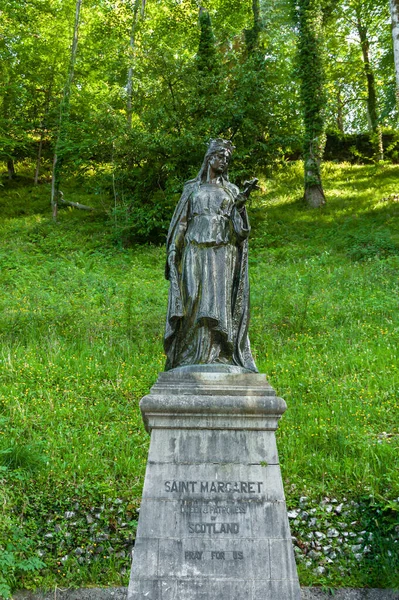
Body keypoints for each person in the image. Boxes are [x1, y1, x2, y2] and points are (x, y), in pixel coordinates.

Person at [164, 138, 258, 372]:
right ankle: (189, 356)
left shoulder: (232, 191)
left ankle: (221, 354)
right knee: (193, 300)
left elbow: (241, 232)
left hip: (222, 253)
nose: (224, 162)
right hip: (194, 251)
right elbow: (181, 224)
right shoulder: (192, 189)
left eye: (227, 159)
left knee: (218, 304)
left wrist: (240, 206)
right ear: (209, 158)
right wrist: (174, 249)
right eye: (220, 157)